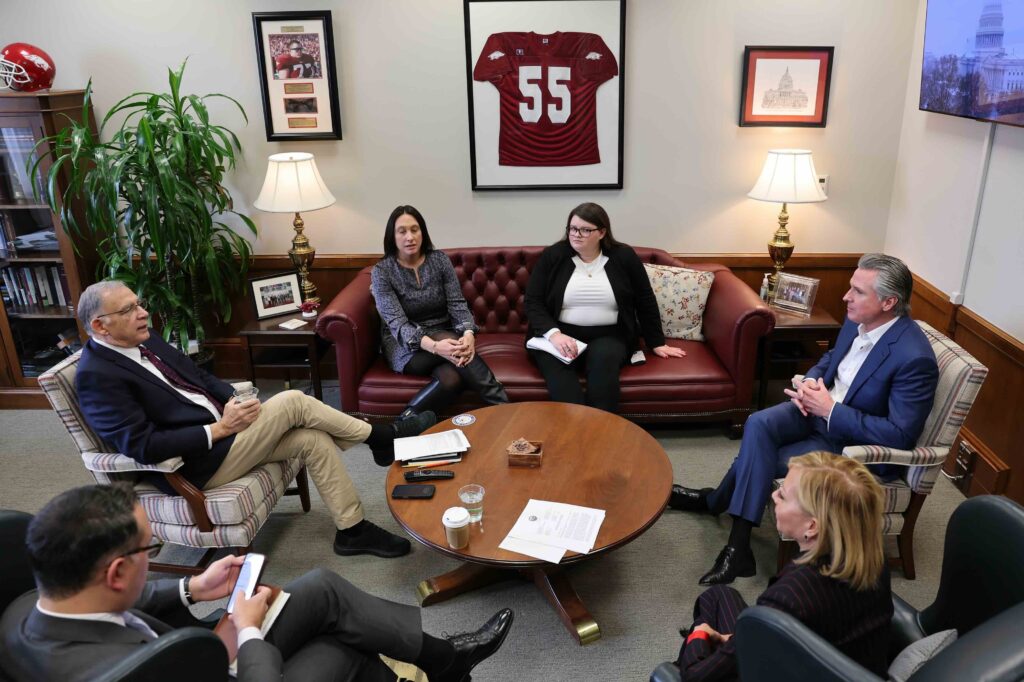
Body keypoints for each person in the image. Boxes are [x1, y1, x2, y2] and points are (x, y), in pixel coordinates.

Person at [0, 483, 514, 682]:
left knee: (321, 588)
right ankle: (440, 668)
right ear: (115, 572)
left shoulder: (29, 605)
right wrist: (246, 632)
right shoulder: (126, 674)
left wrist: (190, 589)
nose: (150, 559)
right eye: (147, 550)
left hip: (195, 656)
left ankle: (444, 661)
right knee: (342, 642)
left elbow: (117, 610)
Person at [74, 280, 436, 559]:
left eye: (139, 304)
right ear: (100, 326)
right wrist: (220, 428)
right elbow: (142, 446)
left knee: (312, 439)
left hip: (229, 433)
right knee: (294, 401)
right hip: (197, 463)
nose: (142, 313)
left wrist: (233, 401)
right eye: (129, 309)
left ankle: (352, 530)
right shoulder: (97, 376)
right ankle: (382, 436)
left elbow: (198, 377)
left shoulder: (144, 338)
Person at [668, 253, 938, 585]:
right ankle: (724, 521)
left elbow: (899, 435)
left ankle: (729, 534)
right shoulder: (857, 319)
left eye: (857, 291)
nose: (846, 297)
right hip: (817, 412)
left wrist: (831, 410)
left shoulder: (914, 358)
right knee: (758, 424)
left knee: (759, 456)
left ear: (889, 302)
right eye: (850, 288)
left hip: (852, 445)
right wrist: (812, 380)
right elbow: (830, 358)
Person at [670, 453, 893, 681]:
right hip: (838, 664)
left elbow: (696, 678)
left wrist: (698, 636)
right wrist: (735, 640)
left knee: (692, 658)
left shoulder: (789, 598)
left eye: (783, 495)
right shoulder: (872, 558)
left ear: (812, 525)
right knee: (717, 595)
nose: (773, 496)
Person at [524, 202, 686, 413]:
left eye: (585, 230)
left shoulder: (624, 256)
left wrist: (656, 342)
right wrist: (554, 335)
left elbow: (644, 299)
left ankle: (601, 427)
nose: (576, 234)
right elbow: (532, 300)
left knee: (604, 362)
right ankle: (577, 427)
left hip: (610, 335)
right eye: (572, 228)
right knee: (558, 374)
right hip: (560, 334)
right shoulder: (553, 256)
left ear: (601, 232)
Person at [371, 205, 509, 418]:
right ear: (392, 236)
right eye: (402, 231)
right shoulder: (382, 272)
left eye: (415, 229)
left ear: (423, 232)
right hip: (405, 346)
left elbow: (457, 304)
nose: (410, 237)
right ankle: (505, 409)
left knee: (450, 379)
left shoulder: (439, 260)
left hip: (444, 333)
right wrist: (436, 347)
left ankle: (403, 424)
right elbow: (398, 325)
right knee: (455, 347)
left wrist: (469, 334)